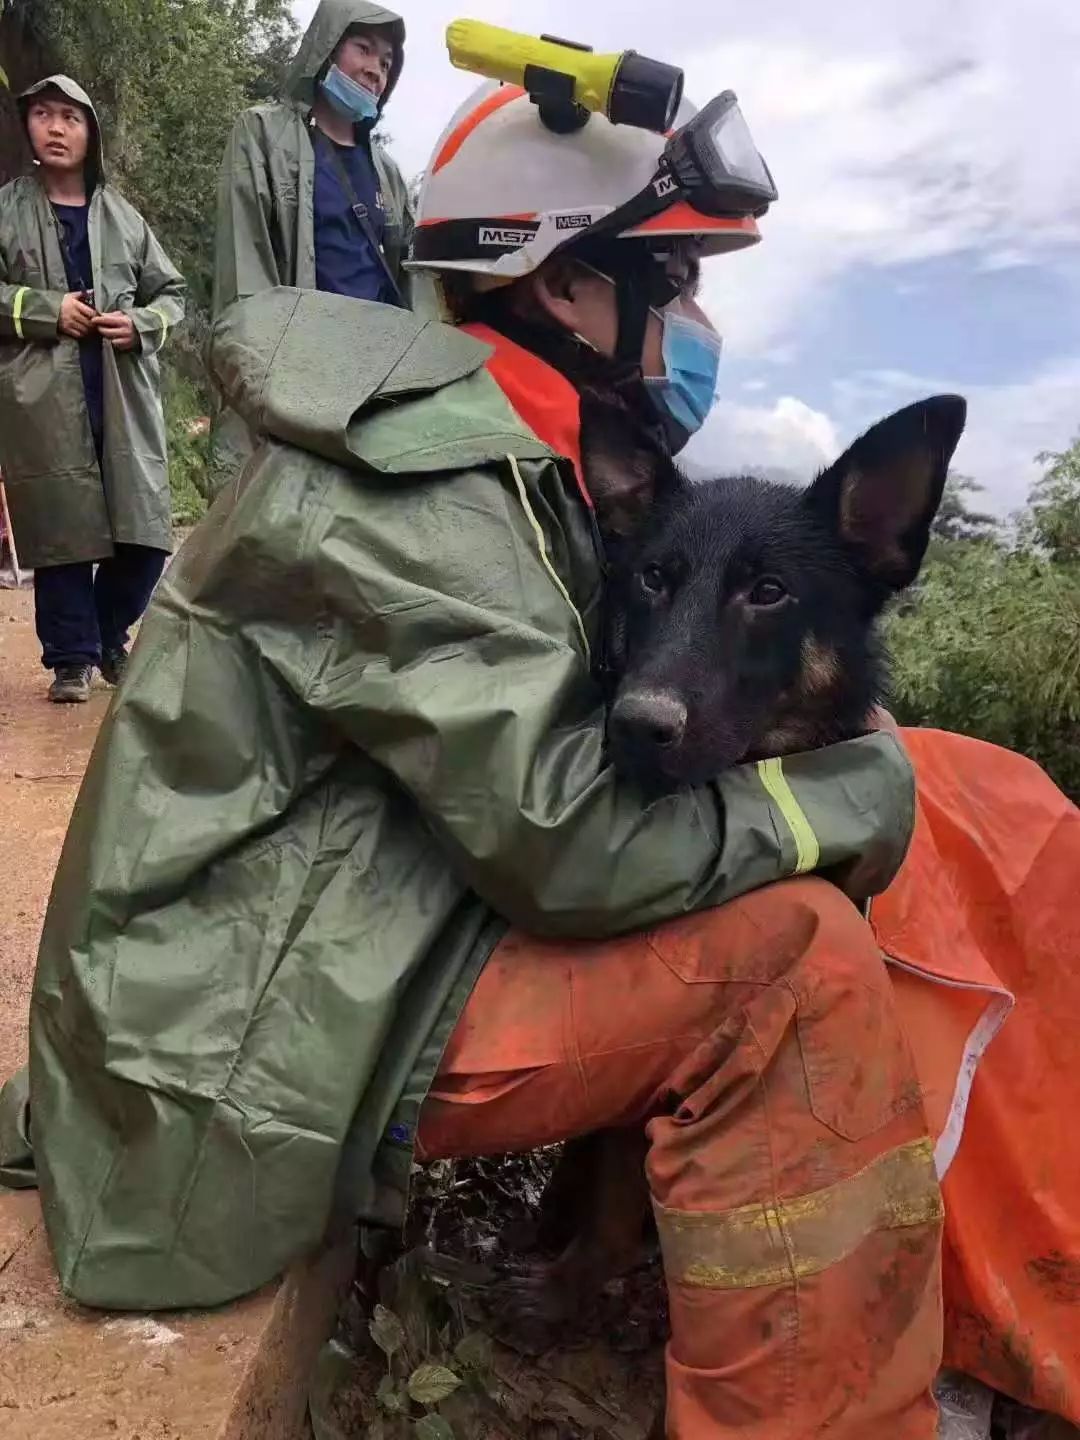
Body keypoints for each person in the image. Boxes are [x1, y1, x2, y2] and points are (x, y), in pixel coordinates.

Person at [1, 72, 1078, 1440]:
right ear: (565, 285)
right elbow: (569, 848)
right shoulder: (412, 486)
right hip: (232, 1042)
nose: (696, 323)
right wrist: (870, 786)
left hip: (310, 947)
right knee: (796, 953)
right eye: (676, 278)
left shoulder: (509, 467)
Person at [0, 76, 185, 702]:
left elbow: (172, 295)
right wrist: (49, 309)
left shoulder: (123, 217)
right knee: (64, 533)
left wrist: (139, 323)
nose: (55, 128)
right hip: (44, 397)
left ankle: (108, 632)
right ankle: (71, 661)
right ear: (28, 126)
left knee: (144, 535)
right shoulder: (6, 209)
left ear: (91, 133)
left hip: (121, 393)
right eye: (44, 115)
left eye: (70, 118)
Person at [209, 0, 414, 496]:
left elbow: (411, 272)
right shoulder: (262, 134)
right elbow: (246, 268)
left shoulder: (386, 170)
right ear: (326, 47)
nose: (374, 70)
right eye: (363, 49)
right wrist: (266, 392)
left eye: (386, 62)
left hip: (376, 383)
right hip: (299, 375)